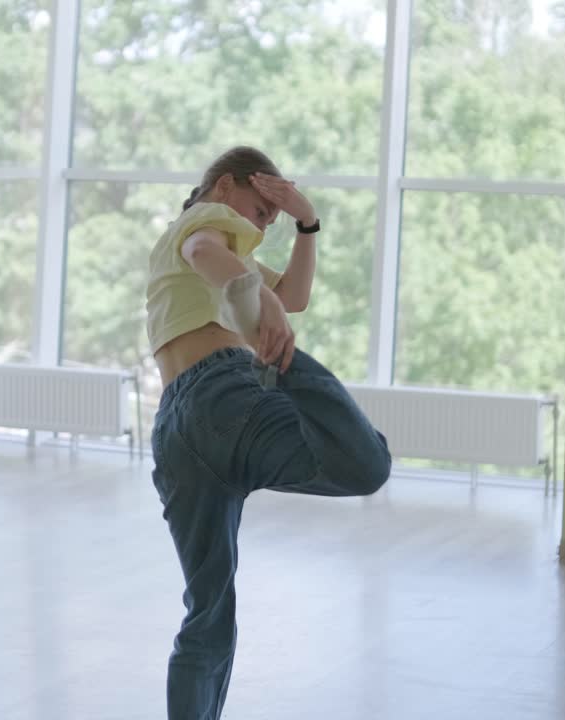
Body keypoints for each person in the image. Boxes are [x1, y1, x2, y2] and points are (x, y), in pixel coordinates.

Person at [146, 145, 393, 719]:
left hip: (178, 435)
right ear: (229, 186)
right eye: (263, 211)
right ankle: (286, 366)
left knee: (208, 615)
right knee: (367, 464)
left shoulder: (200, 251)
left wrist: (308, 225)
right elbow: (207, 249)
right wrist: (256, 304)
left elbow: (295, 298)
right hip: (223, 397)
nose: (263, 224)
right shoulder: (208, 221)